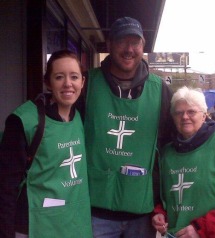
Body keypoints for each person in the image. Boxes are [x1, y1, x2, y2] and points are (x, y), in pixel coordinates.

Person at [79, 16, 174, 238]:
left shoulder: (160, 90)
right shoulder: (86, 84)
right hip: (94, 212)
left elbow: (176, 140)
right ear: (110, 45)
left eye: (136, 42)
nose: (129, 49)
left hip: (142, 213)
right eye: (122, 41)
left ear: (143, 46)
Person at [0, 50, 93, 238]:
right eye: (59, 77)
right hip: (33, 225)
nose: (68, 83)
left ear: (82, 82)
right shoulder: (24, 121)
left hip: (74, 224)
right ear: (48, 82)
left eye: (74, 77)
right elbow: (6, 185)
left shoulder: (82, 115)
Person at [152, 86, 215, 237]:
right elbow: (166, 197)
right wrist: (160, 213)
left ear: (204, 116)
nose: (184, 117)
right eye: (178, 113)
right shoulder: (166, 153)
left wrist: (200, 228)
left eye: (191, 111)